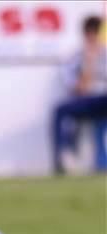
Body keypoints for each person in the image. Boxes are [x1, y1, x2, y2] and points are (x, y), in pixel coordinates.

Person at [52, 15, 107, 174]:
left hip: (104, 99)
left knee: (101, 124)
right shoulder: (76, 56)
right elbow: (78, 88)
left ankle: (101, 164)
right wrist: (89, 62)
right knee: (60, 111)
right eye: (91, 32)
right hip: (86, 100)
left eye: (96, 32)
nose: (93, 36)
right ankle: (61, 157)